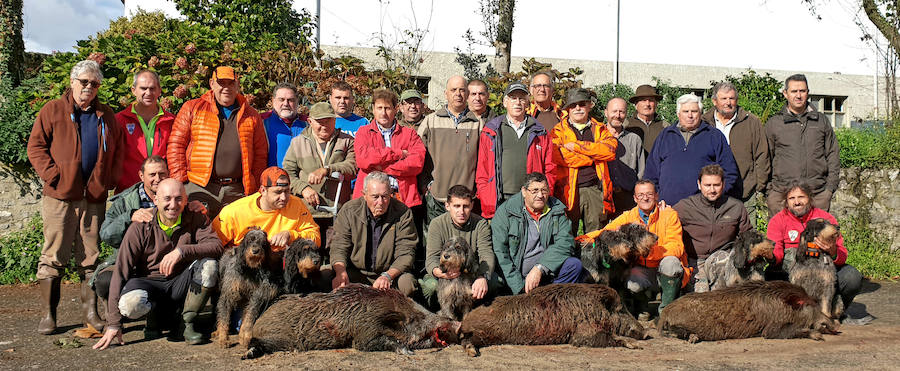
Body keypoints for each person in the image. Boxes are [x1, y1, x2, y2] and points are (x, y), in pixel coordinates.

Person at [27, 60, 123, 335]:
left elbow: (117, 151)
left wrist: (109, 181)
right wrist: (53, 175)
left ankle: (91, 314)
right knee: (54, 254)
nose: (89, 87)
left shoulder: (106, 115)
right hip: (60, 196)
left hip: (93, 197)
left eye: (94, 84)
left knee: (90, 257)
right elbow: (35, 146)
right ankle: (48, 315)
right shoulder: (53, 110)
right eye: (84, 82)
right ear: (72, 82)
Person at [93, 179, 223, 349]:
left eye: (178, 199)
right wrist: (113, 324)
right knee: (130, 304)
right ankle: (153, 317)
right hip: (149, 283)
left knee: (210, 266)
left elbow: (216, 246)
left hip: (181, 283)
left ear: (186, 200)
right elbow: (120, 273)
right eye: (167, 198)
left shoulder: (195, 217)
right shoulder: (139, 227)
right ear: (155, 200)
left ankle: (187, 323)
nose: (173, 205)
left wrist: (182, 251)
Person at [578, 180, 691, 316]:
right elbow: (605, 232)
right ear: (635, 198)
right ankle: (642, 307)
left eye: (649, 194)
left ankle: (667, 311)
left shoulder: (669, 214)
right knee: (632, 283)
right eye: (641, 194)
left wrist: (646, 253)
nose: (645, 197)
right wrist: (580, 239)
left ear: (656, 196)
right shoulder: (628, 217)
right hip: (642, 271)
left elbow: (676, 246)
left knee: (671, 263)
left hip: (663, 268)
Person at [167, 66, 267, 217]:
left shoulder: (252, 115)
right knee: (196, 232)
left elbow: (260, 153)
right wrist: (180, 182)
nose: (226, 88)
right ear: (211, 83)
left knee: (236, 235)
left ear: (237, 85)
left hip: (236, 190)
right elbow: (176, 145)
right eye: (221, 83)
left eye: (231, 83)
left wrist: (254, 188)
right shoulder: (193, 108)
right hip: (199, 187)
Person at [766, 181, 863, 317]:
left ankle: (833, 312)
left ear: (810, 199)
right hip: (792, 273)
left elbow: (842, 255)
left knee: (852, 277)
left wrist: (832, 250)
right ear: (786, 202)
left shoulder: (826, 219)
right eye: (792, 198)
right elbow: (776, 252)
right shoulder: (778, 220)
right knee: (769, 278)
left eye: (801, 197)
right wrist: (771, 256)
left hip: (823, 272)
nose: (797, 202)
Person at [329, 172, 418, 297]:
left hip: (390, 274)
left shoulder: (403, 213)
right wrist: (340, 272)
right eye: (375, 197)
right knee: (325, 277)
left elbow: (406, 253)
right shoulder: (349, 210)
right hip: (357, 272)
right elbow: (339, 246)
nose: (380, 202)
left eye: (385, 196)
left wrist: (387, 276)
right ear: (364, 195)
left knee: (407, 283)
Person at [213, 167, 321, 269]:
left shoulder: (296, 204)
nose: (283, 197)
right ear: (263, 190)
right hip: (245, 267)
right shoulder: (234, 211)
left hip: (280, 264)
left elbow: (316, 239)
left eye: (287, 191)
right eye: (278, 192)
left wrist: (291, 235)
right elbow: (213, 244)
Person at [491, 173, 581, 294]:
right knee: (493, 281)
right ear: (524, 191)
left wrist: (540, 268)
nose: (540, 195)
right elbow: (500, 253)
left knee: (574, 265)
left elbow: (566, 243)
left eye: (544, 190)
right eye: (534, 191)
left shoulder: (556, 210)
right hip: (516, 277)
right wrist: (520, 288)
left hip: (546, 272)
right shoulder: (506, 212)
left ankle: (552, 298)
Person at [476, 82, 556, 218]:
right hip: (499, 200)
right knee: (501, 239)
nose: (517, 102)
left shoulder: (540, 132)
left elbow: (550, 168)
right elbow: (482, 170)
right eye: (513, 98)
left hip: (530, 199)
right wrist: (486, 196)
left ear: (528, 103)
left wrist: (543, 194)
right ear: (505, 102)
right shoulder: (491, 131)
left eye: (522, 98)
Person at [644, 93, 739, 206]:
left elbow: (730, 172)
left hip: (703, 210)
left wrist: (714, 197)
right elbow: (651, 173)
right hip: (667, 208)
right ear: (678, 114)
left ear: (700, 113)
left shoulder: (714, 136)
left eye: (694, 111)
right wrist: (656, 198)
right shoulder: (665, 136)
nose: (690, 115)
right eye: (685, 111)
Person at [96, 156, 169, 299]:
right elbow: (105, 234)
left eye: (162, 174)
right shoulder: (124, 201)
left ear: (168, 174)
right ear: (141, 176)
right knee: (105, 281)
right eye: (152, 175)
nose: (158, 178)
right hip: (131, 261)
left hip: (165, 261)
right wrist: (129, 217)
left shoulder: (176, 196)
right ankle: (116, 310)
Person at [765, 74, 840, 215]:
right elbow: (765, 158)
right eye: (794, 91)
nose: (798, 96)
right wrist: (769, 192)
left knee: (817, 237)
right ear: (785, 94)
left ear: (808, 93)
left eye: (802, 91)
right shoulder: (774, 124)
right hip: (782, 196)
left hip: (817, 194)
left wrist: (829, 189)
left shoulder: (821, 121)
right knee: (783, 237)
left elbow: (832, 154)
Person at [672, 164, 751, 292]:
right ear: (699, 184)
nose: (712, 190)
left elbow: (747, 235)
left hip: (721, 258)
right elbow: (666, 222)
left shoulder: (736, 206)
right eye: (707, 185)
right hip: (695, 261)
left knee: (719, 294)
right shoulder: (684, 206)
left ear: (723, 184)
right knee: (700, 297)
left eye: (716, 185)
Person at [700, 82, 769, 225]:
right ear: (714, 101)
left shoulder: (751, 122)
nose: (728, 103)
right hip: (710, 192)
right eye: (723, 99)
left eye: (731, 99)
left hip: (744, 192)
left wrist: (758, 186)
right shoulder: (703, 123)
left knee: (747, 236)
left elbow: (762, 155)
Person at [550, 88, 617, 235]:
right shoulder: (558, 131)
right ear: (568, 109)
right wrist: (592, 157)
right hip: (567, 191)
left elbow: (609, 151)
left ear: (589, 106)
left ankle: (591, 259)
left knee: (595, 236)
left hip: (594, 190)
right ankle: (570, 259)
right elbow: (559, 156)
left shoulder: (600, 129)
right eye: (573, 105)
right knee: (566, 233)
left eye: (581, 104)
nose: (578, 108)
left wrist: (577, 146)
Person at [417, 76, 481, 229]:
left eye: (462, 90)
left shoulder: (478, 124)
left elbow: (485, 160)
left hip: (465, 201)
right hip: (437, 197)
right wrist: (425, 185)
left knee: (462, 246)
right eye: (453, 90)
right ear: (446, 93)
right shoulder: (430, 121)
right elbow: (417, 155)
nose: (458, 94)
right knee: (435, 244)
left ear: (467, 94)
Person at [420, 185, 495, 306]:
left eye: (465, 206)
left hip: (470, 272)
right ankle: (436, 313)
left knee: (495, 282)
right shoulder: (437, 224)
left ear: (471, 205)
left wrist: (482, 277)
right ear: (447, 206)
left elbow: (486, 253)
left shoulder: (481, 224)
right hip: (443, 273)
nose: (461, 211)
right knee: (431, 287)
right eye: (456, 206)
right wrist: (438, 272)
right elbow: (431, 257)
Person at [282, 102, 356, 222]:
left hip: (338, 213)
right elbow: (287, 174)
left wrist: (326, 170)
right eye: (320, 122)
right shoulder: (298, 143)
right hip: (305, 213)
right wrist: (303, 188)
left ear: (335, 120)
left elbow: (353, 167)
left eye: (328, 121)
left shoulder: (347, 141)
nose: (325, 126)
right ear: (310, 122)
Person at [352, 89, 426, 207]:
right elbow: (363, 159)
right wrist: (398, 153)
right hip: (370, 200)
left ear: (396, 109)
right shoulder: (363, 132)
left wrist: (382, 168)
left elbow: (416, 163)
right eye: (379, 108)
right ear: (373, 109)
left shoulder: (410, 134)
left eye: (387, 108)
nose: (383, 113)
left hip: (402, 199)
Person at [114, 69, 174, 193]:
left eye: (152, 88)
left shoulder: (171, 121)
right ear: (133, 90)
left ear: (159, 90)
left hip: (162, 191)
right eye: (143, 88)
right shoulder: (119, 120)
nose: (148, 93)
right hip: (128, 191)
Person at [604, 97, 645, 218]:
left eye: (621, 112)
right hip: (603, 197)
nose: (618, 115)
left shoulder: (634, 139)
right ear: (606, 112)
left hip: (628, 197)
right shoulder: (597, 138)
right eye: (614, 111)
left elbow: (641, 171)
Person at [261, 82, 307, 167]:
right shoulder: (262, 122)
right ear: (273, 100)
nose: (286, 104)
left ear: (297, 101)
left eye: (291, 100)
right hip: (272, 178)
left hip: (301, 179)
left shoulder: (308, 124)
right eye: (281, 99)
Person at [624, 84, 670, 155]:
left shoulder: (665, 126)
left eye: (651, 100)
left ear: (656, 104)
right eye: (643, 100)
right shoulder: (626, 125)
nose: (647, 104)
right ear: (636, 105)